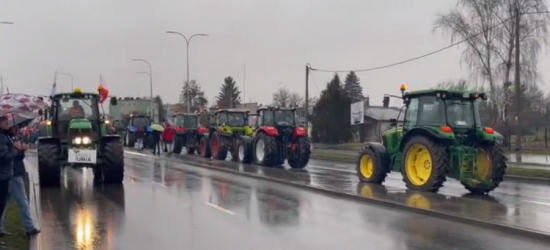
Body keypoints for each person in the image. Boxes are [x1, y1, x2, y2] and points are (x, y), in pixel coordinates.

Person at [0, 124, 39, 237]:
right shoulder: (4, 138)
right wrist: (17, 149)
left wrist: (21, 150)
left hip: (11, 173)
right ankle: (29, 227)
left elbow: (15, 156)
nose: (17, 128)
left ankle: (0, 228)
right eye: (15, 126)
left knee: (4, 203)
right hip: (13, 174)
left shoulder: (8, 137)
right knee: (22, 201)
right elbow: (6, 157)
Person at [0, 116, 21, 243]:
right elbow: (3, 158)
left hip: (5, 175)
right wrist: (15, 149)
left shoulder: (5, 136)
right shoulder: (1, 138)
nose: (8, 122)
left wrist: (19, 150)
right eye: (5, 120)